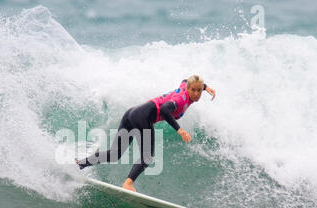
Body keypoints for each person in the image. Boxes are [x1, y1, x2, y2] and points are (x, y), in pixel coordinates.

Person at [76, 75, 216, 192]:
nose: (196, 94)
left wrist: (206, 87)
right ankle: (128, 183)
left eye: (199, 90)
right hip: (143, 117)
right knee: (147, 157)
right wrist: (179, 129)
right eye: (194, 90)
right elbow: (165, 110)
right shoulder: (181, 100)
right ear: (188, 89)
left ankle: (81, 164)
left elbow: (186, 79)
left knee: (114, 154)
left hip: (131, 114)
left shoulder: (186, 86)